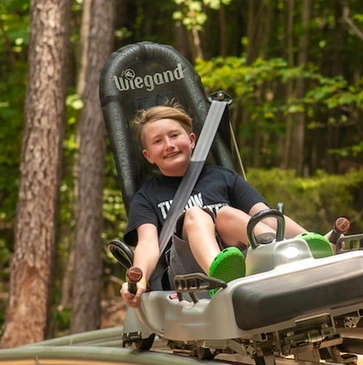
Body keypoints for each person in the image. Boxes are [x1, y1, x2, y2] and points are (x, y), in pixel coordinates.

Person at [120, 101, 331, 308]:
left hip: (239, 260)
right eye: (158, 141)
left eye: (175, 135)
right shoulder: (146, 196)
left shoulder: (223, 178)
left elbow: (266, 216)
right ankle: (218, 275)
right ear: (148, 156)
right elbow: (147, 244)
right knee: (195, 215)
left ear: (192, 140)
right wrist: (139, 279)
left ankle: (284, 251)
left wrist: (319, 242)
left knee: (227, 214)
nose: (169, 145)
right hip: (189, 275)